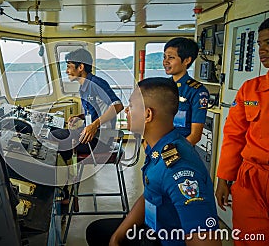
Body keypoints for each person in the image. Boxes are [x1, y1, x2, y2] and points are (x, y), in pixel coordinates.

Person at [86, 77, 220, 246]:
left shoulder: (179, 170)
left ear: (148, 114)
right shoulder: (159, 147)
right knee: (97, 231)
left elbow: (206, 241)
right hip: (152, 227)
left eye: (132, 106)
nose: (126, 111)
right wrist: (117, 237)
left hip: (164, 240)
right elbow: (151, 194)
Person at [215, 18, 269, 245]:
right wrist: (224, 178)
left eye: (268, 43)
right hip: (251, 180)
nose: (262, 50)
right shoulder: (251, 89)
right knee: (249, 238)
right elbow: (234, 135)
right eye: (259, 44)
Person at [49, 48, 124, 200]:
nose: (66, 70)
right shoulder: (84, 87)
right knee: (53, 132)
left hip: (100, 140)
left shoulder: (97, 83)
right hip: (90, 135)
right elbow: (95, 111)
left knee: (53, 137)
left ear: (80, 67)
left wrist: (94, 125)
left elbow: (117, 105)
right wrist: (80, 116)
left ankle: (65, 189)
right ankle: (67, 186)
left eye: (69, 66)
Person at [163, 37, 209, 145]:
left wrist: (171, 154)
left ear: (187, 60)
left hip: (180, 150)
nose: (165, 62)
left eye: (171, 58)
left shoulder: (197, 92)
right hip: (159, 146)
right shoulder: (163, 86)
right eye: (164, 57)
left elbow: (195, 135)